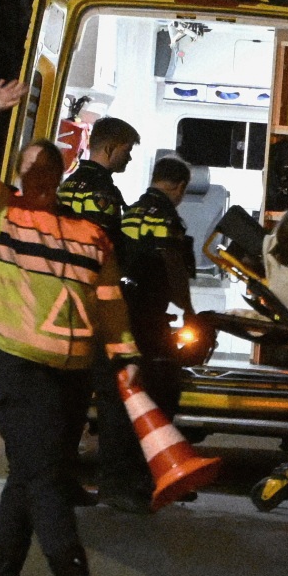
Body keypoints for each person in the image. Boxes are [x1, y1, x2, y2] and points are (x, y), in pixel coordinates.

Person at [0, 79, 140, 576]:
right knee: (45, 473)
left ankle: (1, 574)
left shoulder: (88, 234)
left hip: (69, 372)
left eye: (47, 167)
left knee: (32, 470)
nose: (38, 174)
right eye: (29, 167)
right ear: (15, 174)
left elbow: (108, 301)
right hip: (9, 364)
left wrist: (124, 356)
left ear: (59, 176)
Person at [58, 117, 156, 512]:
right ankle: (116, 486)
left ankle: (61, 482)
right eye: (128, 152)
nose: (129, 160)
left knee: (69, 401)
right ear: (111, 147)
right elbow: (108, 252)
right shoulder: (102, 194)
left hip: (63, 306)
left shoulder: (66, 186)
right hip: (95, 308)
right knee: (115, 400)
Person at [119, 155, 198, 420]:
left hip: (123, 305)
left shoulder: (129, 211)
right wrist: (188, 309)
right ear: (180, 187)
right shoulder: (167, 218)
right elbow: (173, 267)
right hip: (150, 310)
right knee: (163, 376)